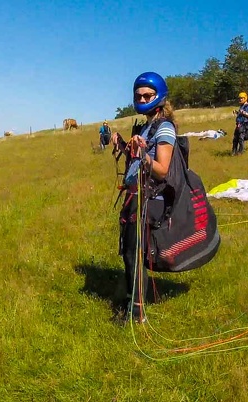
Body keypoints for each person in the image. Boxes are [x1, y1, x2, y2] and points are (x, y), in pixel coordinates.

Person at [111, 72, 176, 323]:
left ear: (158, 96)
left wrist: (143, 155)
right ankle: (132, 302)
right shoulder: (146, 125)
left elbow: (162, 169)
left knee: (135, 253)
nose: (141, 98)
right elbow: (137, 158)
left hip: (148, 199)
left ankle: (137, 312)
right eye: (138, 95)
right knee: (129, 251)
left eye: (147, 94)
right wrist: (125, 146)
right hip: (134, 194)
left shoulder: (165, 127)